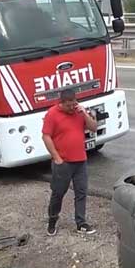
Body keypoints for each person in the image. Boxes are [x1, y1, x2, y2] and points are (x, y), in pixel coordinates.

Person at [42, 88, 97, 236]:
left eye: (74, 104)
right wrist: (56, 157)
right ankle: (52, 220)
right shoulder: (52, 114)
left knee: (81, 192)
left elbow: (93, 128)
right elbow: (46, 136)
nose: (71, 108)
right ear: (61, 102)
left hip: (80, 161)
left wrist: (84, 113)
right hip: (63, 163)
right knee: (58, 193)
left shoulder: (79, 113)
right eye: (68, 105)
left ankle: (81, 223)